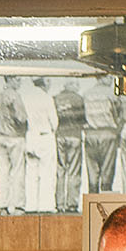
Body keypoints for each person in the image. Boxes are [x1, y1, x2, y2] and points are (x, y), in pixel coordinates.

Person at [0, 72, 28, 214]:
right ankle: (18, 205)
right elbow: (21, 118)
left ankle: (2, 205)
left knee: (3, 172)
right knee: (18, 171)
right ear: (10, 79)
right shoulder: (15, 96)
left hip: (0, 136)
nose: (20, 82)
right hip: (15, 136)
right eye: (18, 79)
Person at [25, 75, 58, 214]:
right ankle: (46, 205)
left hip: (31, 136)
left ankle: (30, 205)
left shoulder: (26, 98)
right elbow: (54, 122)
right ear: (45, 82)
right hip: (45, 136)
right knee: (47, 172)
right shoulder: (47, 98)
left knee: (31, 172)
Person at [53, 77, 86, 213]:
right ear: (71, 85)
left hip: (60, 135)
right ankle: (72, 204)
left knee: (60, 170)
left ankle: (60, 204)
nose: (78, 87)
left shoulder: (56, 98)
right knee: (73, 170)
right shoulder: (78, 99)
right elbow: (83, 120)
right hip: (74, 136)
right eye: (76, 84)